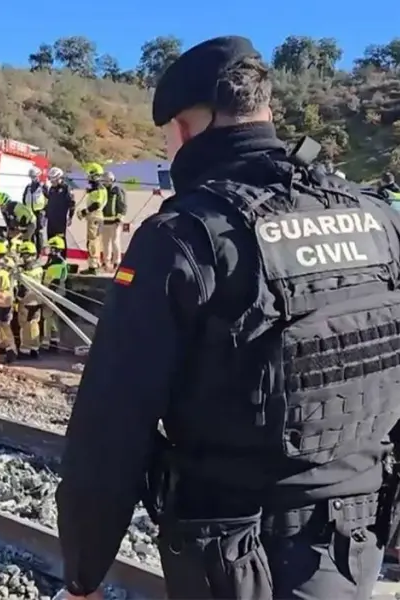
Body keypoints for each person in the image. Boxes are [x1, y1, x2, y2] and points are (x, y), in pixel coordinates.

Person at [56, 35, 400, 600]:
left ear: (188, 129)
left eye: (167, 137)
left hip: (238, 555)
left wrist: (83, 573)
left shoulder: (182, 237)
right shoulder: (377, 221)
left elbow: (110, 427)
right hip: (356, 537)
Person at [77, 163, 108, 274]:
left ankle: (93, 267)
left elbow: (97, 204)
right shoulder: (97, 188)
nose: (88, 178)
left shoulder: (99, 189)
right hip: (96, 217)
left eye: (90, 175)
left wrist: (84, 212)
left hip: (95, 217)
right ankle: (96, 264)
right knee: (95, 241)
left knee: (92, 241)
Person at [15, 241, 43, 359]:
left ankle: (24, 350)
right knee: (34, 324)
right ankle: (34, 348)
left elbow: (23, 289)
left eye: (25, 255)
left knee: (25, 326)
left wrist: (17, 299)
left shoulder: (26, 272)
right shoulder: (39, 268)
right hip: (37, 301)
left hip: (26, 302)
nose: (23, 258)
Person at [41, 235, 68, 352]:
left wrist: (48, 295)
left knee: (47, 317)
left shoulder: (58, 263)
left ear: (55, 249)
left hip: (53, 293)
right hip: (55, 293)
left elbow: (55, 281)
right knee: (53, 318)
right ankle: (54, 340)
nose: (49, 250)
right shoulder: (55, 261)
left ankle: (46, 343)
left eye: (51, 248)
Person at [97, 171, 127, 271]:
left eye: (106, 180)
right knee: (105, 243)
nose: (104, 182)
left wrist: (119, 217)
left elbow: (122, 205)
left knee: (115, 242)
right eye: (103, 180)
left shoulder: (117, 190)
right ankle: (106, 262)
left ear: (111, 180)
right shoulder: (102, 191)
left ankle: (117, 262)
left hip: (115, 222)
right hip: (104, 221)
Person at [45, 167, 75, 251]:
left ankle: (62, 259)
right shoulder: (51, 189)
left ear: (59, 178)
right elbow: (50, 202)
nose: (52, 181)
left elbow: (72, 203)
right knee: (51, 240)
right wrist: (46, 214)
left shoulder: (66, 188)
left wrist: (70, 217)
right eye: (51, 179)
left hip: (60, 219)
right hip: (51, 219)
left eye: (53, 179)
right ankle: (52, 257)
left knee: (60, 240)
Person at [22, 167, 49, 253]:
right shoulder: (28, 187)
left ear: (38, 176)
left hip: (40, 212)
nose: (33, 178)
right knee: (31, 232)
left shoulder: (43, 186)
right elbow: (24, 198)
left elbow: (50, 199)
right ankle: (32, 251)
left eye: (34, 176)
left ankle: (39, 252)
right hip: (30, 213)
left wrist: (45, 210)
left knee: (38, 232)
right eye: (31, 176)